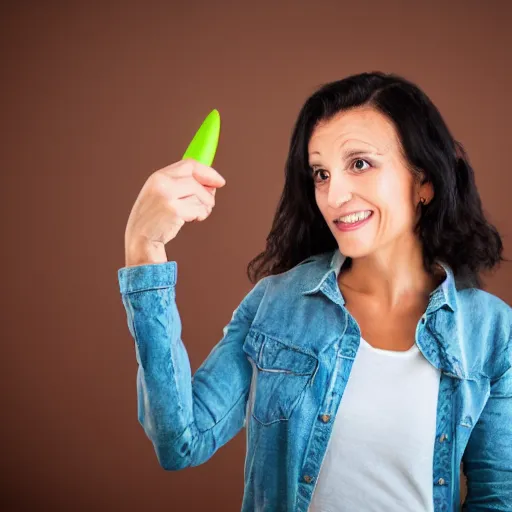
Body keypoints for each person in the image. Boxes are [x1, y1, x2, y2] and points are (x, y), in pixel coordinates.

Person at [117, 71, 511, 511]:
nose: (333, 194)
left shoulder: (490, 331)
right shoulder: (277, 304)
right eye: (321, 173)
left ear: (425, 182)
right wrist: (144, 247)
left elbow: (497, 497)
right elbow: (181, 441)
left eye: (359, 163)